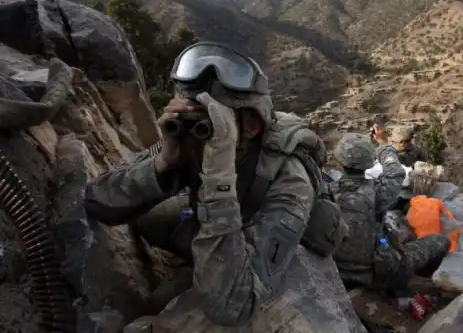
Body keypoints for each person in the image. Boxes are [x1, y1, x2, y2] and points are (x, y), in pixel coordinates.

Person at [84, 42, 364, 332]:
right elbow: (96, 200)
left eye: (211, 122)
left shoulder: (289, 176)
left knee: (161, 304)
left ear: (252, 126)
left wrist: (219, 174)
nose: (199, 134)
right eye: (191, 118)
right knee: (150, 220)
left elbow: (232, 307)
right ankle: (206, 267)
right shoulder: (190, 140)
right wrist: (163, 162)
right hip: (226, 227)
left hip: (277, 250)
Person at [330, 132, 450, 297]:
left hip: (337, 270)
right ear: (368, 163)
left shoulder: (326, 192)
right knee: (441, 240)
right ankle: (417, 282)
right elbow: (395, 172)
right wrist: (383, 144)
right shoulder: (378, 192)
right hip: (377, 273)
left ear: (339, 163)